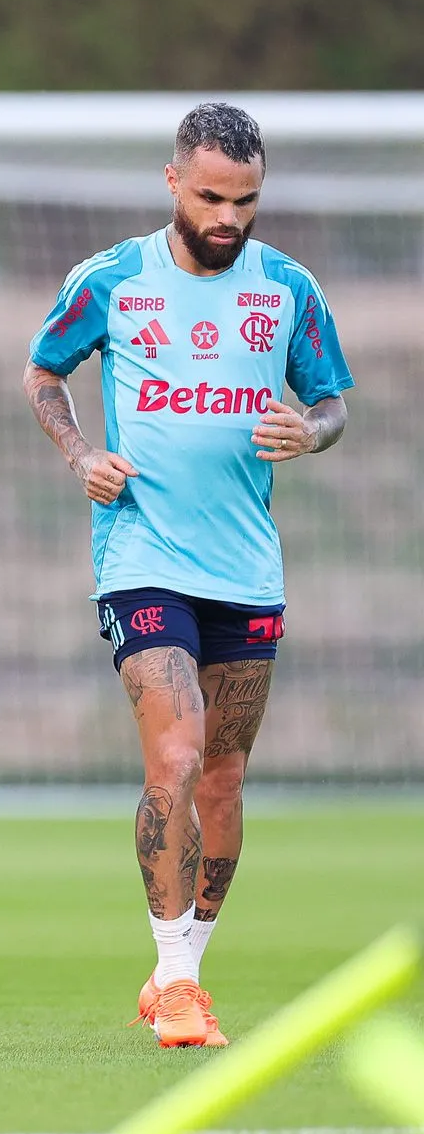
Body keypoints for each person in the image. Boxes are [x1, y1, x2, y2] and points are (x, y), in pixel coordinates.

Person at [21, 102, 351, 1050]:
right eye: (210, 196)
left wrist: (310, 429)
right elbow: (44, 374)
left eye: (245, 200)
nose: (227, 217)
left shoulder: (288, 287)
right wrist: (80, 452)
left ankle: (185, 968)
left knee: (223, 776)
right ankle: (173, 986)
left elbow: (330, 402)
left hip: (246, 566)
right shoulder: (114, 279)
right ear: (173, 181)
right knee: (172, 756)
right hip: (142, 556)